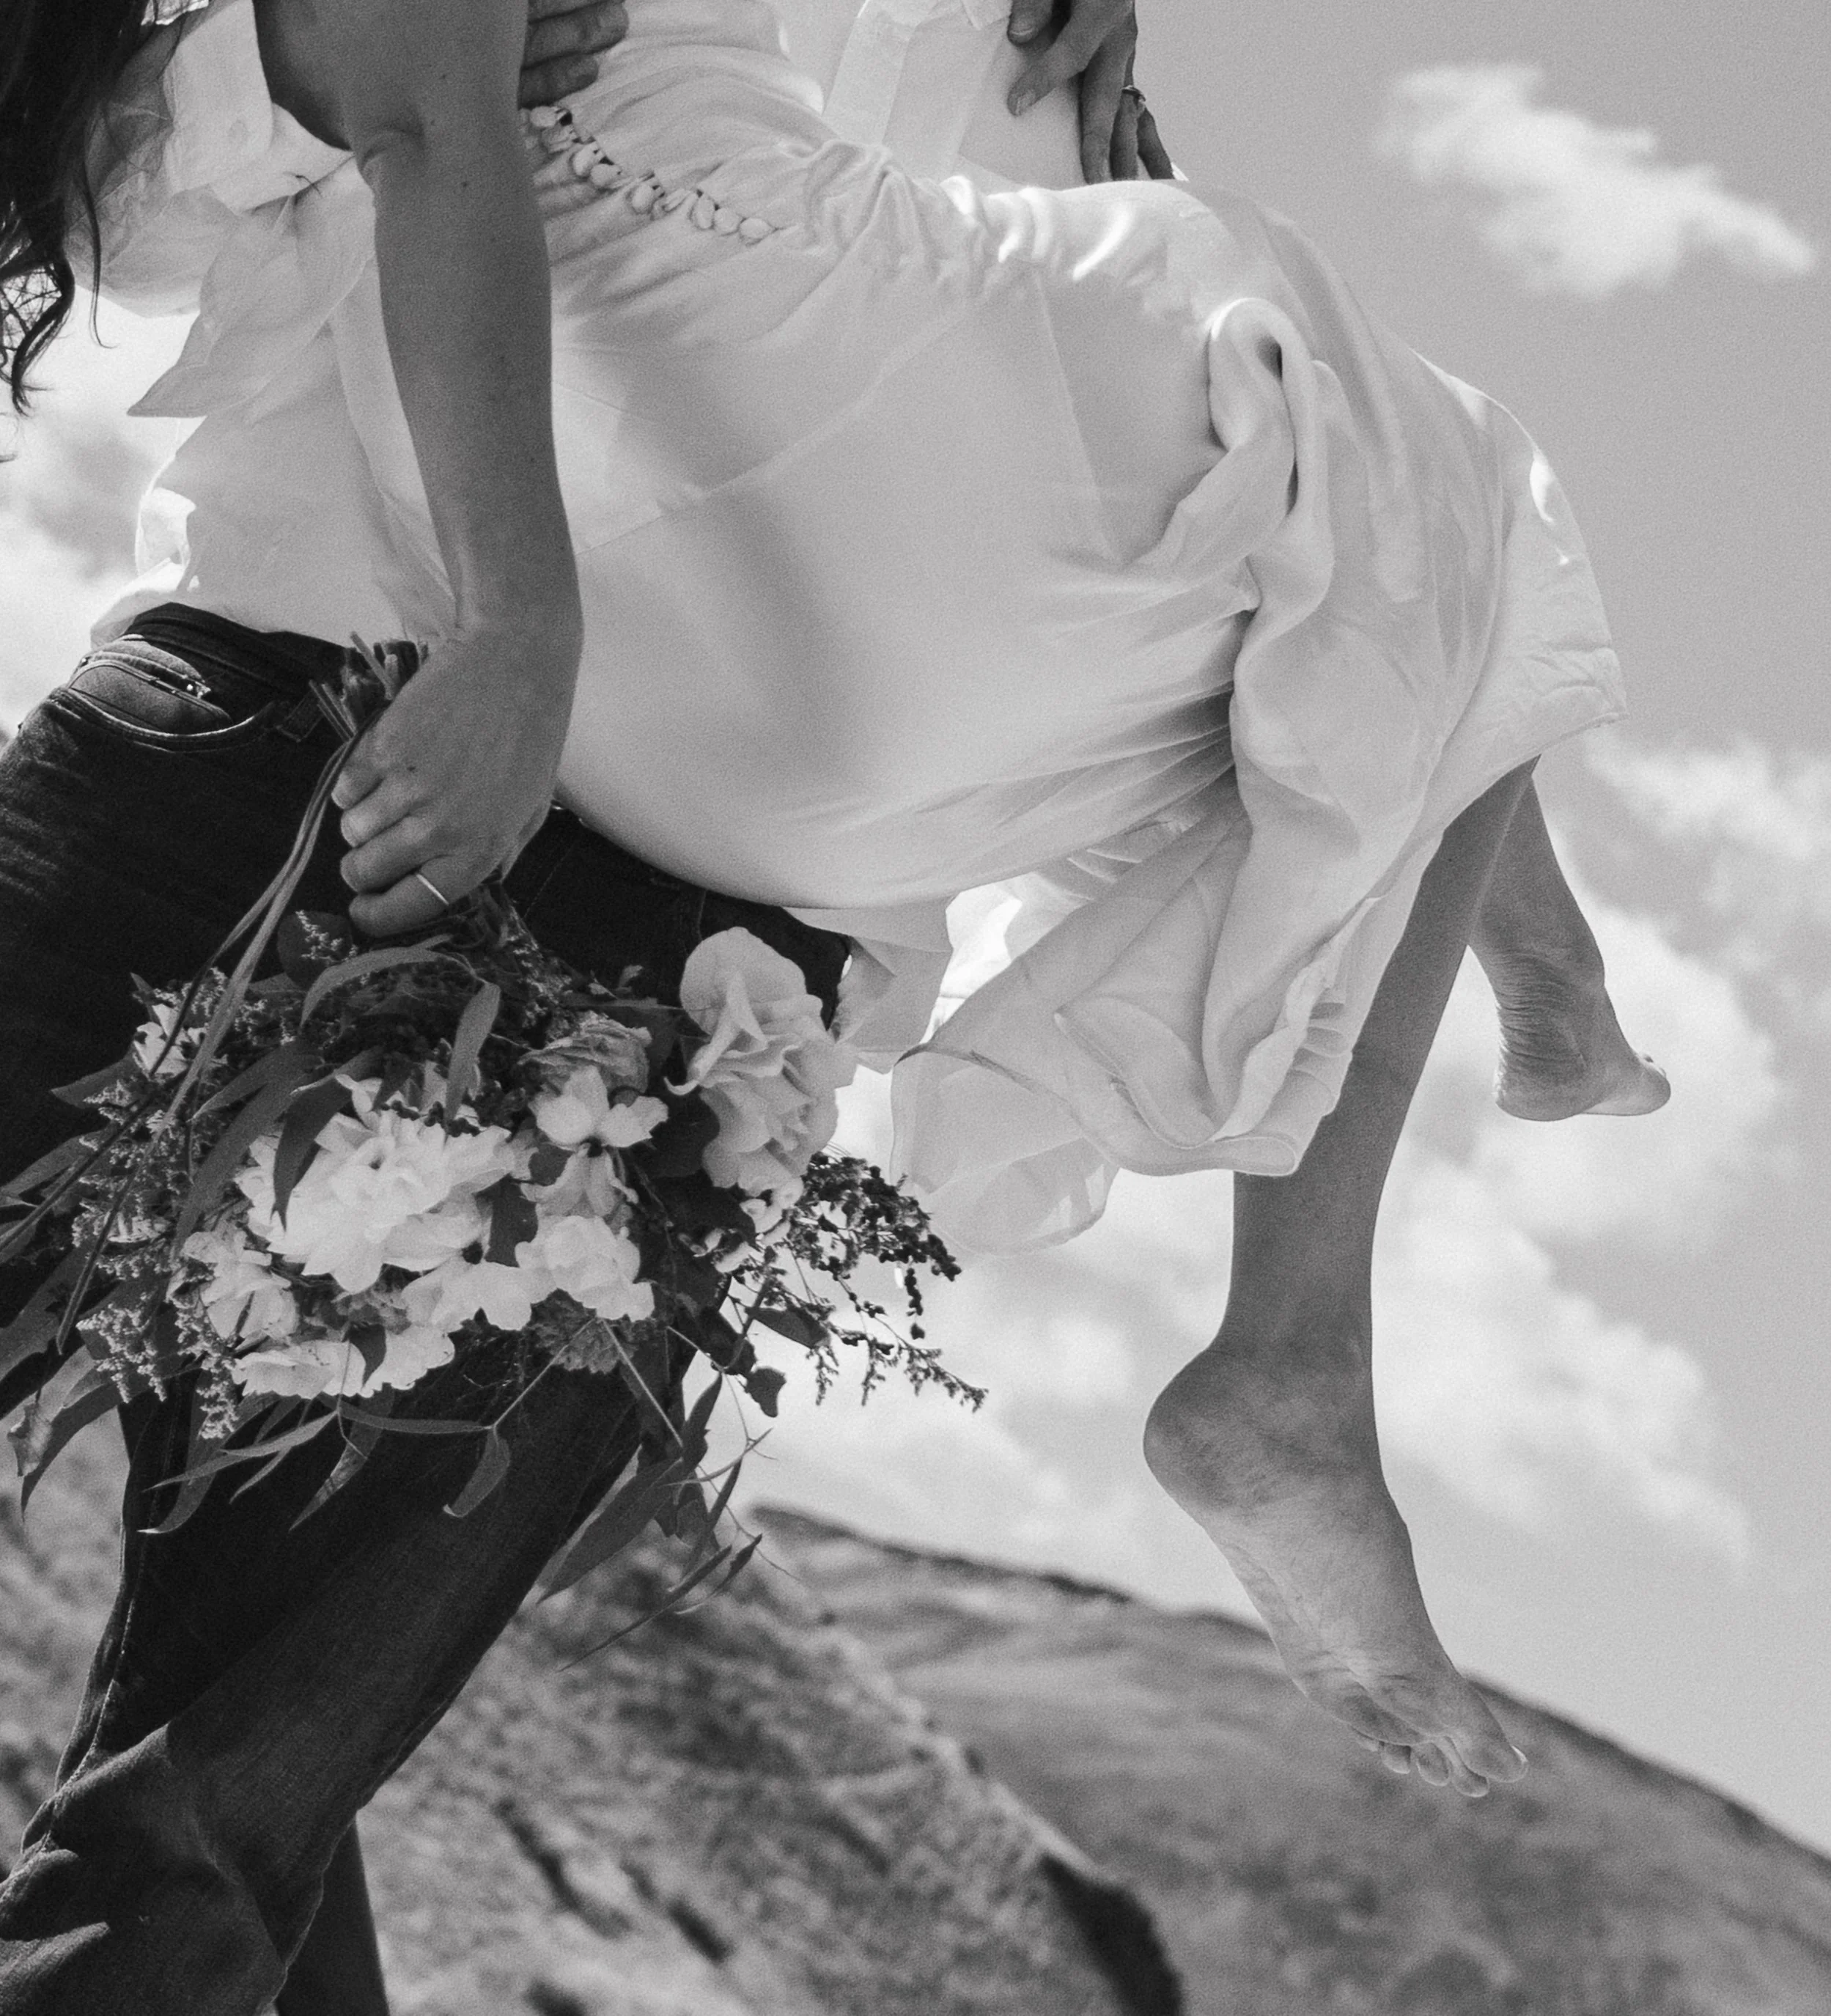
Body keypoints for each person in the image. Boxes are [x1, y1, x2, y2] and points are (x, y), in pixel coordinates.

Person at [0, 0, 1664, 2004]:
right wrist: (279, 79)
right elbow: (182, 163)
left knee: (214, 1817)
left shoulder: (1004, 85)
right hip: (323, 721)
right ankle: (1346, 1274)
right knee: (1415, 470)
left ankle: (1341, 1278)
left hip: (674, 931)